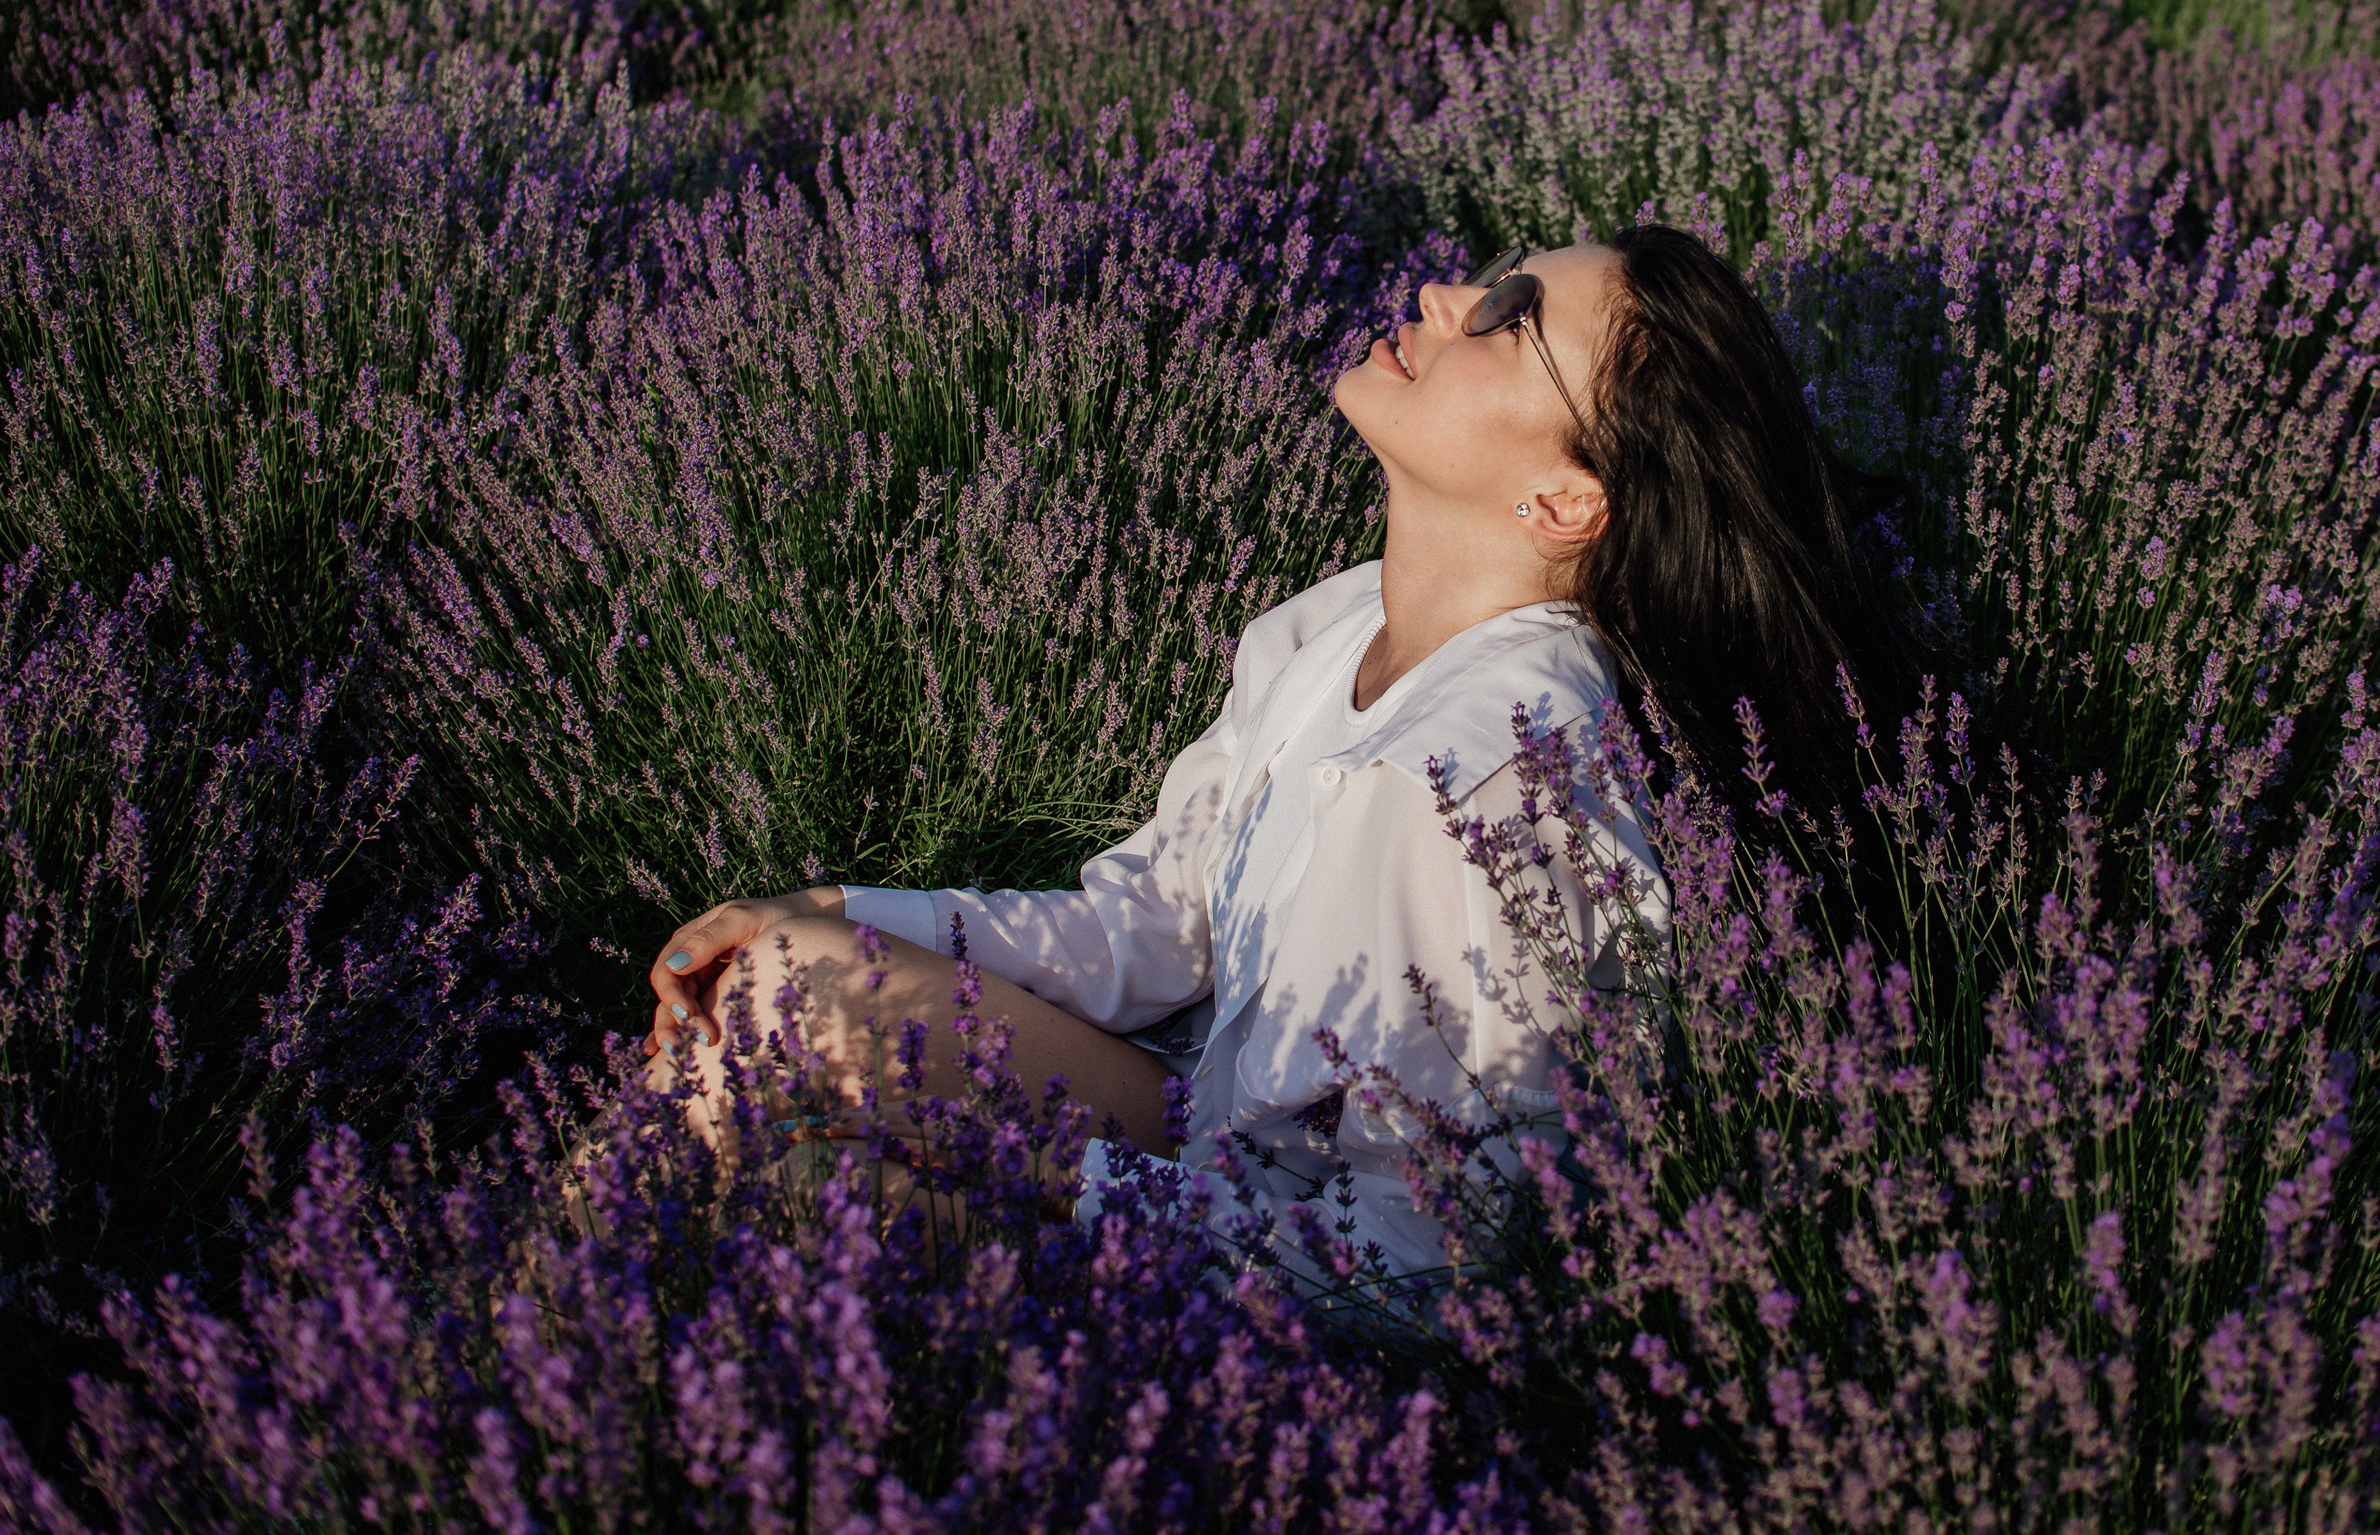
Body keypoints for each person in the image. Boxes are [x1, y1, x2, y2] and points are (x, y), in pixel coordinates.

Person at [634, 225, 1916, 1295]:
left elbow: (1432, 1255)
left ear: (1570, 499)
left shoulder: (1485, 777)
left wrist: (1046, 1182)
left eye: (1509, 317)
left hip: (1277, 1283)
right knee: (771, 987)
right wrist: (843, 908)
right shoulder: (1335, 627)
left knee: (790, 1081)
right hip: (1201, 1143)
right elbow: (1150, 923)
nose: (1444, 293)